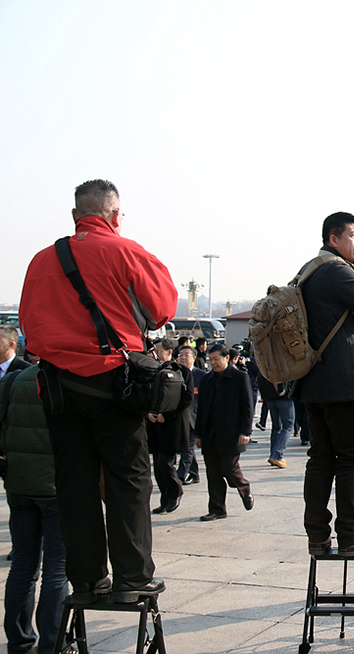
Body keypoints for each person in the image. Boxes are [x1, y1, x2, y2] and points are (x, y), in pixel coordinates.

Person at [19, 179, 176, 604]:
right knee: (128, 479)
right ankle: (132, 578)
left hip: (58, 387)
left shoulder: (41, 260)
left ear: (75, 215)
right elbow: (163, 309)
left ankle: (88, 581)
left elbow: (28, 329)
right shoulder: (126, 251)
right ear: (116, 215)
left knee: (74, 482)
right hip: (112, 383)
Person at [294, 211, 354, 557]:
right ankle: (351, 535)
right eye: (353, 236)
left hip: (314, 382)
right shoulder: (337, 271)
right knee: (351, 458)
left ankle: (317, 536)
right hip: (345, 384)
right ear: (333, 239)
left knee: (320, 459)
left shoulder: (309, 270)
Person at [1, 363, 68, 654]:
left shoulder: (14, 380)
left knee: (23, 566)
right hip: (56, 486)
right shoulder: (69, 380)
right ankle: (52, 642)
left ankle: (18, 640)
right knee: (56, 569)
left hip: (19, 483)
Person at [194, 344, 254, 521]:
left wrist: (245, 431)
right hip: (210, 434)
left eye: (216, 359)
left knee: (229, 468)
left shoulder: (239, 377)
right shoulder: (206, 380)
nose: (213, 363)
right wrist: (198, 434)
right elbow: (201, 409)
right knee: (213, 473)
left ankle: (244, 488)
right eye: (210, 360)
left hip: (231, 433)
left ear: (227, 358)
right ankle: (217, 509)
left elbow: (247, 407)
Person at [147, 339, 194, 514]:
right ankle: (165, 498)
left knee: (165, 462)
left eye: (159, 351)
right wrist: (149, 413)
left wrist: (166, 414)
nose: (156, 354)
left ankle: (175, 492)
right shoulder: (152, 370)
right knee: (158, 465)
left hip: (173, 423)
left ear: (169, 352)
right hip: (154, 424)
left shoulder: (181, 372)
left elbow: (187, 398)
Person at [175, 345, 203, 485]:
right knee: (187, 447)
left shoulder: (201, 376)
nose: (183, 358)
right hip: (179, 417)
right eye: (181, 355)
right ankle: (194, 473)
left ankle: (180, 475)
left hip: (194, 417)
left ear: (194, 358)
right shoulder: (174, 373)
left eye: (186, 355)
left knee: (188, 447)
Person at [256, 371, 294, 469]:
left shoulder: (265, 367)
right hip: (284, 398)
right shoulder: (281, 366)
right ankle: (277, 454)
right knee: (288, 427)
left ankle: (273, 455)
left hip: (270, 398)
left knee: (276, 427)